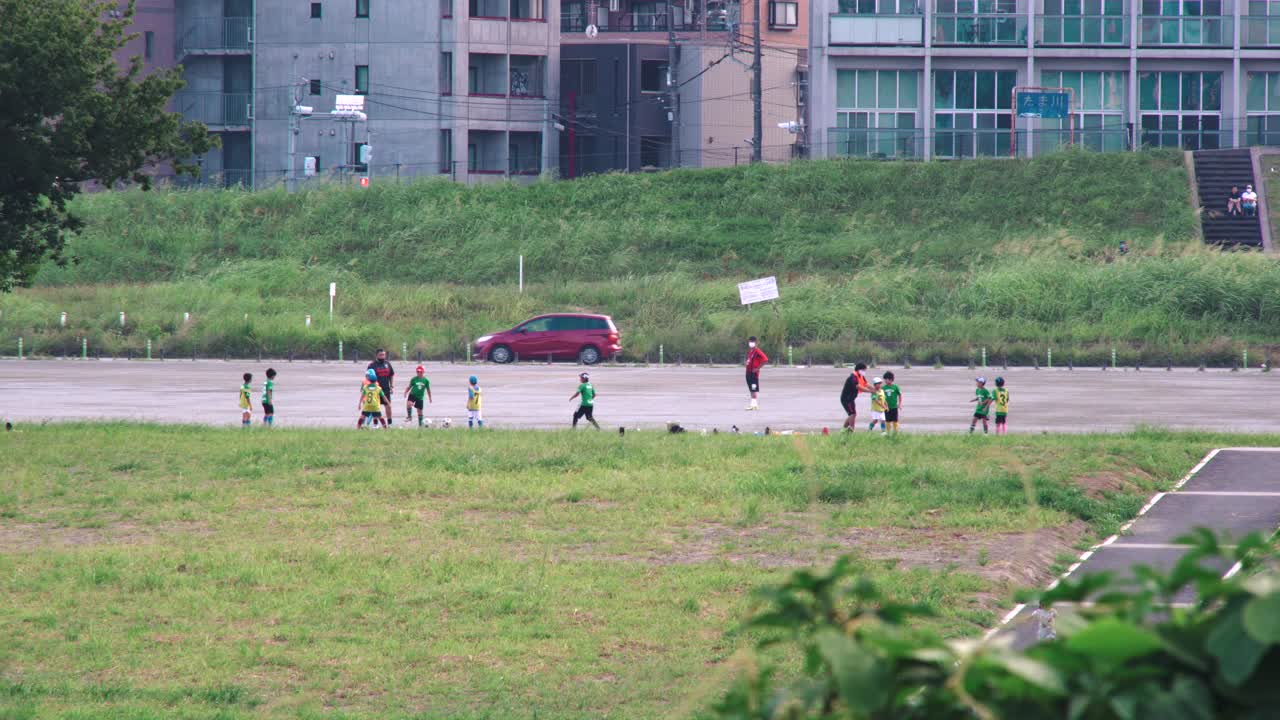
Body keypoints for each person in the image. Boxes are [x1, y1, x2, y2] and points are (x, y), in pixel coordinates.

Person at [367, 348, 396, 426]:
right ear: (376, 355)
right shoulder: (372, 365)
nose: (382, 356)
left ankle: (390, 423)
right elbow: (368, 377)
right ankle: (375, 424)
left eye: (383, 354)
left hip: (386, 389)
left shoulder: (387, 364)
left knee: (388, 406)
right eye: (380, 355)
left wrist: (392, 386)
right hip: (376, 389)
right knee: (376, 407)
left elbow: (391, 375)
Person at [839, 362, 870, 431]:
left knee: (853, 414)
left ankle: (843, 430)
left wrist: (876, 390)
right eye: (864, 370)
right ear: (859, 369)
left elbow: (866, 384)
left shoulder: (861, 376)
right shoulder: (852, 377)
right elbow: (858, 387)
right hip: (846, 399)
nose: (864, 372)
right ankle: (851, 430)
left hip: (851, 399)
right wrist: (870, 391)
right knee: (852, 414)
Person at [744, 336, 769, 411]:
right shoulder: (750, 351)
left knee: (753, 389)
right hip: (748, 372)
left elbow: (765, 359)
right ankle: (753, 405)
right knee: (751, 389)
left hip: (754, 373)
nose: (750, 343)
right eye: (750, 341)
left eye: (752, 341)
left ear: (755, 343)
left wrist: (757, 368)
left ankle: (754, 405)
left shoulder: (757, 351)